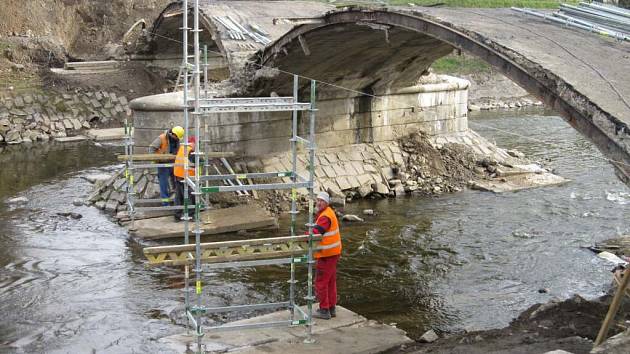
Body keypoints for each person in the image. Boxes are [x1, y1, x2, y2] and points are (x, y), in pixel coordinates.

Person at [311, 191, 342, 320]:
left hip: (327, 254)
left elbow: (316, 232)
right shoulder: (328, 213)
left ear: (327, 203)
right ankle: (331, 308)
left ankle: (324, 310)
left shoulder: (325, 217)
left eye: (321, 201)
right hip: (333, 253)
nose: (318, 203)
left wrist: (305, 234)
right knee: (330, 281)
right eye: (317, 200)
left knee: (321, 282)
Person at [149, 126, 184, 206]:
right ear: (173, 134)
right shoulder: (161, 138)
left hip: (173, 163)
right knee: (164, 184)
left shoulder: (176, 140)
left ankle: (176, 201)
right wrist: (157, 159)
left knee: (176, 182)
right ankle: (165, 203)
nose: (177, 139)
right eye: (177, 137)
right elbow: (151, 149)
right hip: (163, 164)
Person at [173, 136, 197, 222]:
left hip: (178, 174)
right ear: (193, 143)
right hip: (185, 176)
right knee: (191, 195)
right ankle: (191, 215)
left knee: (179, 196)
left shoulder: (182, 147)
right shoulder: (190, 150)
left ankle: (177, 215)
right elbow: (196, 161)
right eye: (196, 144)